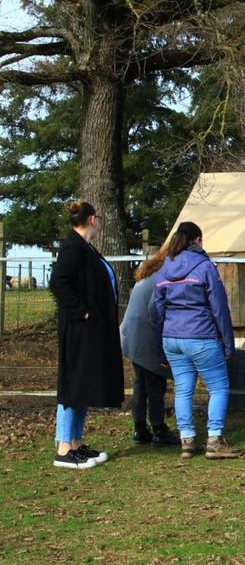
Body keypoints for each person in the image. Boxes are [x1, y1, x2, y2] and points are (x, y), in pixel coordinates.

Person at [149, 222, 243, 459]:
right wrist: (228, 343)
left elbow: (155, 310)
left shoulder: (163, 269)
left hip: (172, 338)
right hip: (201, 336)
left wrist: (160, 342)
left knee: (182, 389)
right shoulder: (205, 267)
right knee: (218, 387)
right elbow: (220, 307)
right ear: (198, 240)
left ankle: (187, 440)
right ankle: (214, 440)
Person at [49, 201, 124, 469]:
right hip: (79, 331)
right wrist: (82, 313)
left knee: (82, 387)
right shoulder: (73, 247)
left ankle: (77, 443)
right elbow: (58, 281)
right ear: (92, 220)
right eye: (99, 219)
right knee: (72, 387)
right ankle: (64, 447)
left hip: (90, 332)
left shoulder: (86, 248)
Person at [120, 247, 179, 447]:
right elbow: (158, 311)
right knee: (155, 384)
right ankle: (159, 428)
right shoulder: (162, 278)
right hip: (146, 335)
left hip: (131, 335)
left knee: (141, 384)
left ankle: (139, 427)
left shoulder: (147, 277)